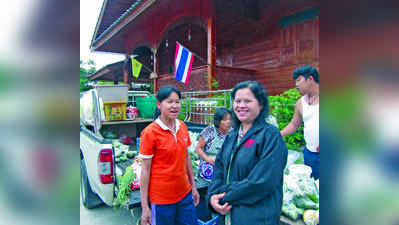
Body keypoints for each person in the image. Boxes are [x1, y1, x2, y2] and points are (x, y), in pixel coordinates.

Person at [206, 81, 288, 225]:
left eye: (248, 101)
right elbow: (219, 168)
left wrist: (224, 195)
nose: (241, 105)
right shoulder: (232, 135)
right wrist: (212, 196)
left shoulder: (270, 135)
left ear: (261, 105)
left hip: (255, 216)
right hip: (227, 214)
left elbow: (262, 181)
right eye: (238, 101)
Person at [139, 86, 199, 225]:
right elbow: (145, 170)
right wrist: (145, 207)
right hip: (161, 200)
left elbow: (186, 157)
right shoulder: (150, 133)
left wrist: (193, 187)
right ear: (158, 104)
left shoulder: (182, 126)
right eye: (169, 101)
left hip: (184, 194)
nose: (174, 106)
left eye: (177, 102)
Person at [280, 65, 319, 179]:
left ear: (310, 79)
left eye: (298, 80)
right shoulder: (300, 103)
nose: (296, 85)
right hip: (310, 153)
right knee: (314, 187)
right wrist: (279, 133)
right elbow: (294, 124)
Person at [195, 107, 232, 181]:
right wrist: (208, 159)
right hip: (210, 162)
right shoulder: (209, 131)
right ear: (218, 121)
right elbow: (198, 148)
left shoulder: (232, 132)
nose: (228, 122)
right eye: (225, 120)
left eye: (230, 119)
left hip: (225, 162)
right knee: (213, 174)